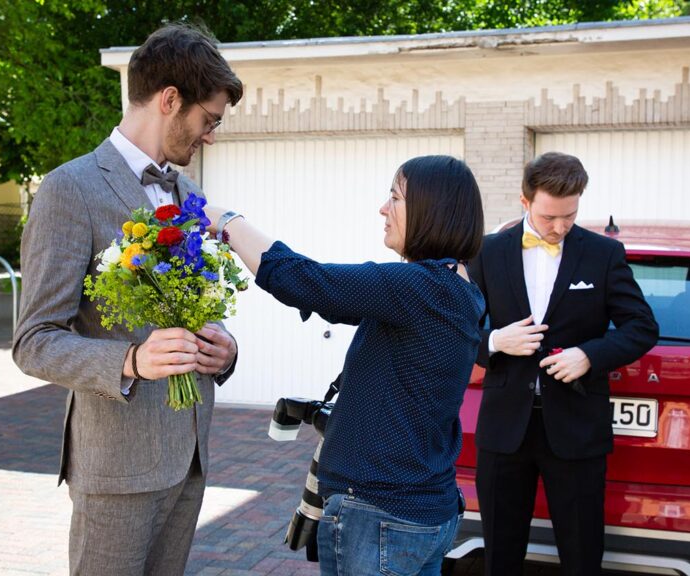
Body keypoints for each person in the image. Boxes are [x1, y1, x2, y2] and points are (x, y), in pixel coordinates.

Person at [12, 24, 243, 576]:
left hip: (189, 457)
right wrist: (130, 361)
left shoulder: (190, 197)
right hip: (117, 467)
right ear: (169, 100)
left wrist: (224, 348)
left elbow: (196, 307)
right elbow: (33, 342)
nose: (210, 136)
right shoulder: (69, 189)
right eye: (207, 120)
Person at [202, 155, 485, 575]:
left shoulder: (419, 288)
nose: (383, 209)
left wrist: (228, 221)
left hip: (381, 515)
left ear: (432, 209)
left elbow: (303, 280)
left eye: (395, 198)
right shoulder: (453, 288)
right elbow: (335, 299)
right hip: (423, 509)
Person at [469, 152, 658, 576]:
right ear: (524, 201)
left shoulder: (603, 254)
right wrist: (496, 341)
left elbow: (642, 327)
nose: (559, 227)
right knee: (499, 554)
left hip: (576, 428)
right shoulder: (486, 251)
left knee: (582, 553)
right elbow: (455, 330)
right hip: (504, 430)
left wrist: (590, 355)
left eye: (569, 216)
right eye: (550, 216)